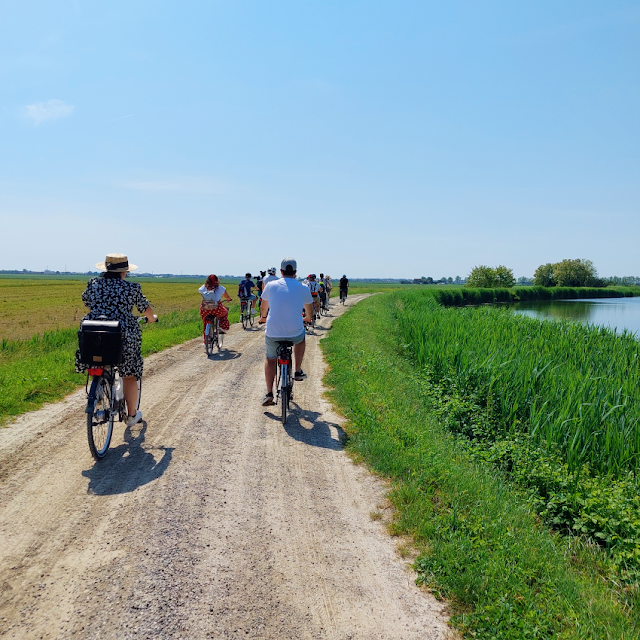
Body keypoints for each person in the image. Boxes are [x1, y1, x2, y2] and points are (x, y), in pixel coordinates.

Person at [75, 253, 158, 427]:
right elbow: (146, 309)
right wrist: (152, 318)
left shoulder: (93, 284)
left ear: (106, 269)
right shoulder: (131, 288)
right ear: (124, 271)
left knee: (96, 360)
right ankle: (132, 415)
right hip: (121, 334)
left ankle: (98, 390)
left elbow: (86, 301)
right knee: (129, 374)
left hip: (93, 331)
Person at [258, 258, 313, 406]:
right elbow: (309, 310)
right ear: (295, 272)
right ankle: (297, 370)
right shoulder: (303, 287)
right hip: (294, 331)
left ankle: (269, 393)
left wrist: (263, 317)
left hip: (273, 331)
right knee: (301, 339)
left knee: (270, 359)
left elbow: (264, 307)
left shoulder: (270, 285)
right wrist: (307, 318)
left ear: (281, 272)